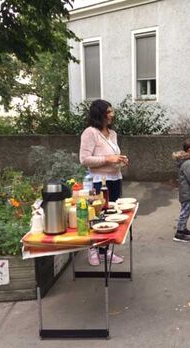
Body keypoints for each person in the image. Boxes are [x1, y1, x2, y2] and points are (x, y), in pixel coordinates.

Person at [79, 99, 129, 266]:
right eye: (108, 112)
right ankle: (93, 249)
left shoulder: (112, 133)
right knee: (96, 215)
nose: (112, 115)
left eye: (111, 111)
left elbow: (113, 156)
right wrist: (109, 159)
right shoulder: (90, 133)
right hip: (98, 182)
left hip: (115, 179)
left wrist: (120, 160)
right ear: (99, 114)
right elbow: (84, 159)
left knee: (111, 215)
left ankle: (105, 250)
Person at [172, 138, 190, 242]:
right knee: (185, 211)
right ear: (189, 150)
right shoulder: (188, 163)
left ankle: (183, 228)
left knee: (186, 210)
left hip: (186, 191)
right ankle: (179, 233)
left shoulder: (188, 161)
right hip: (186, 192)